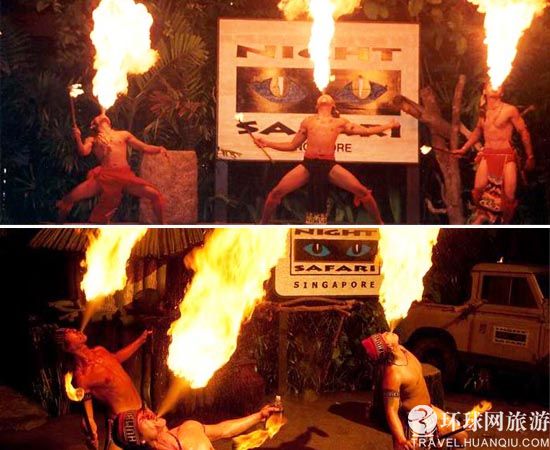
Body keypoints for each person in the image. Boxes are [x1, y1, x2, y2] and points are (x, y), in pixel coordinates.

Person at [253, 94, 400, 224]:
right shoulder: (308, 121)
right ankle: (262, 225)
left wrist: (389, 125)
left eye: (329, 98)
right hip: (308, 164)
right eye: (322, 98)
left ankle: (380, 224)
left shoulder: (340, 123)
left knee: (363, 192)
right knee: (276, 193)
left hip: (329, 165)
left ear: (333, 105)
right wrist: (267, 143)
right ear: (316, 105)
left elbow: (366, 131)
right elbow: (292, 145)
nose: (325, 96)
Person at [362, 332, 468, 449]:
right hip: (413, 421)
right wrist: (401, 439)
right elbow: (391, 411)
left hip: (429, 409)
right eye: (384, 336)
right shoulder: (393, 375)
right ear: (389, 347)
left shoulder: (401, 350)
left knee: (461, 437)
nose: (386, 332)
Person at [57, 112, 168, 224]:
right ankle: (59, 225)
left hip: (124, 175)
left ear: (109, 122)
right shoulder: (93, 139)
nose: (102, 114)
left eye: (103, 115)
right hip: (105, 177)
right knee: (68, 198)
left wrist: (159, 149)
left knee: (155, 195)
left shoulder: (123, 134)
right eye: (98, 116)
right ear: (93, 125)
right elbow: (83, 151)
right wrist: (78, 138)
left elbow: (144, 147)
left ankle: (162, 226)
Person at [451, 83, 535, 223]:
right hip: (487, 154)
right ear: (484, 91)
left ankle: (502, 224)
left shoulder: (510, 110)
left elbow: (523, 131)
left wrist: (530, 156)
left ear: (502, 93)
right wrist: (464, 148)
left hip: (506, 155)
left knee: (509, 196)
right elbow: (478, 130)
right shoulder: (483, 112)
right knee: (478, 189)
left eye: (498, 86)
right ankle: (484, 216)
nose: (495, 86)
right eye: (490, 84)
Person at [56, 327, 152, 450]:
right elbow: (88, 411)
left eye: (75, 330)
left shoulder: (100, 350)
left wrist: (140, 340)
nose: (78, 331)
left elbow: (116, 357)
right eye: (72, 332)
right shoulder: (83, 376)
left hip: (142, 410)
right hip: (124, 421)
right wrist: (91, 427)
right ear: (68, 347)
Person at [112, 403, 282, 450]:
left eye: (144, 411)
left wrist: (259, 416)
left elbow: (223, 430)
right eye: (143, 419)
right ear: (140, 440)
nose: (148, 413)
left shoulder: (189, 427)